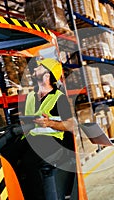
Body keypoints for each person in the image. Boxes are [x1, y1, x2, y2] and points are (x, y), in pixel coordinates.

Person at [20, 58, 77, 200]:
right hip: (32, 138)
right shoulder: (30, 96)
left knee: (28, 161)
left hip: (52, 141)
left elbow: (70, 125)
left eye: (39, 68)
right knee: (7, 154)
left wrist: (49, 123)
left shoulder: (59, 98)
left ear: (47, 75)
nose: (34, 69)